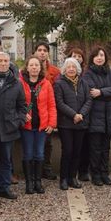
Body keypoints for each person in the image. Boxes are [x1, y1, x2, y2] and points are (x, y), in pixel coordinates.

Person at [0, 51, 26, 200]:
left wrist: (19, 121)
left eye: (5, 61)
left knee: (6, 160)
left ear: (10, 63)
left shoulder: (16, 83)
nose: (2, 64)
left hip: (9, 127)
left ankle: (4, 187)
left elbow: (22, 106)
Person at [82, 46, 111, 186]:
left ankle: (105, 173)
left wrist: (102, 93)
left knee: (106, 148)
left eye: (102, 55)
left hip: (109, 116)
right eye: (97, 55)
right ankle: (96, 174)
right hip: (95, 116)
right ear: (92, 58)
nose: (100, 58)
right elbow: (91, 92)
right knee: (95, 148)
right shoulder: (87, 74)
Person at [19, 55, 57, 193]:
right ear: (27, 68)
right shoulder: (20, 83)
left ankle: (38, 181)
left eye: (37, 65)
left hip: (42, 125)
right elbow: (16, 104)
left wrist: (52, 123)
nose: (34, 67)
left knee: (40, 154)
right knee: (28, 154)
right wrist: (23, 115)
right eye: (31, 65)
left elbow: (51, 105)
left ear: (40, 68)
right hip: (27, 126)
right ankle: (29, 183)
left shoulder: (46, 84)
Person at [54, 57, 92, 189]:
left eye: (73, 67)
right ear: (64, 69)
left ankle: (72, 177)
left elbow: (89, 100)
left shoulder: (84, 83)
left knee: (77, 152)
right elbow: (59, 103)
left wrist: (81, 114)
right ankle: (63, 178)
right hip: (66, 123)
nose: (71, 69)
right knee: (68, 151)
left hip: (81, 123)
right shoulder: (59, 84)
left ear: (78, 69)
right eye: (68, 67)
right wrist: (74, 115)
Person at [34, 42, 60, 180]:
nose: (42, 52)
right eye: (39, 49)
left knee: (47, 143)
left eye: (45, 50)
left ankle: (47, 168)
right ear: (35, 52)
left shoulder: (55, 71)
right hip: (33, 113)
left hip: (48, 111)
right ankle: (34, 169)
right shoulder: (27, 69)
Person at [68, 48, 91, 182]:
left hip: (84, 116)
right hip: (69, 117)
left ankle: (83, 171)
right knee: (70, 148)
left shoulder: (86, 75)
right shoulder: (64, 75)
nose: (77, 58)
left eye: (79, 56)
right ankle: (71, 173)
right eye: (74, 56)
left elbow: (89, 96)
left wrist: (81, 113)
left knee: (85, 145)